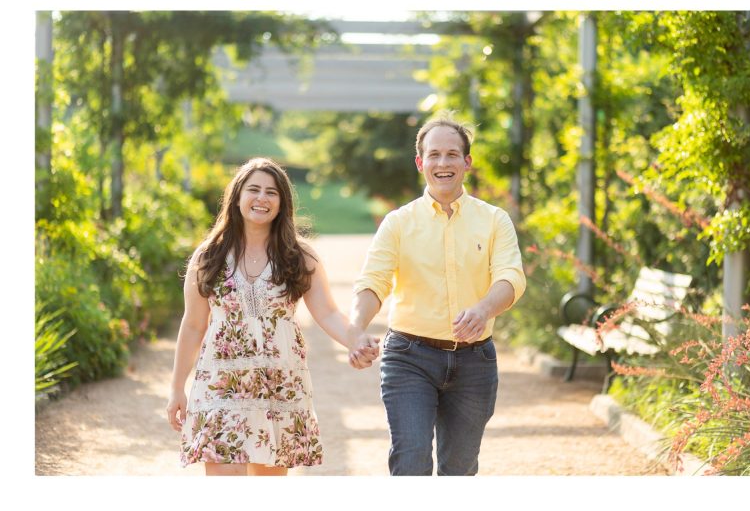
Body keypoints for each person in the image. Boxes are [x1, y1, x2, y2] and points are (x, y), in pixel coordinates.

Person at [167, 157, 378, 474]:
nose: (261, 198)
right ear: (237, 197)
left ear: (282, 203)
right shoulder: (209, 255)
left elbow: (328, 312)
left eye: (271, 192)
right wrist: (176, 388)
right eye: (253, 189)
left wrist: (356, 340)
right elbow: (194, 325)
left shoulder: (299, 255)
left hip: (278, 386)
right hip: (219, 384)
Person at [348, 117, 526, 476]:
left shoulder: (494, 220)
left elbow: (511, 277)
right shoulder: (398, 223)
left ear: (466, 162)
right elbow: (373, 282)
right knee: (410, 459)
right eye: (434, 155)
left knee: (459, 470)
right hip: (409, 358)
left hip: (475, 363)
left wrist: (483, 308)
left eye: (452, 154)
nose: (443, 164)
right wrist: (355, 329)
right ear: (421, 163)